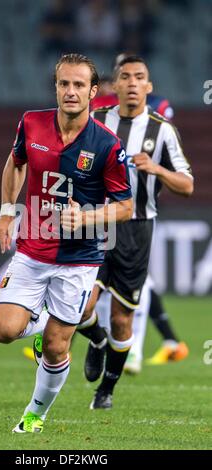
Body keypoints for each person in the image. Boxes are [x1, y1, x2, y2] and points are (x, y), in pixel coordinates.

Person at [0, 53, 133, 433]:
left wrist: (86, 217)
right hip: (33, 249)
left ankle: (35, 414)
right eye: (64, 84)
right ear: (56, 87)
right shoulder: (31, 123)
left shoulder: (106, 145)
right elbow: (16, 161)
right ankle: (38, 325)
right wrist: (7, 209)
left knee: (57, 347)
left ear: (93, 92)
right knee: (3, 330)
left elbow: (125, 207)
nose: (71, 91)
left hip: (79, 258)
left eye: (78, 85)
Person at [77, 55, 193, 409]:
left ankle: (106, 392)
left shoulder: (162, 131)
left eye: (138, 77)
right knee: (79, 306)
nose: (131, 82)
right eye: (124, 76)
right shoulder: (95, 120)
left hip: (137, 229)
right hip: (95, 223)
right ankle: (96, 341)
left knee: (122, 318)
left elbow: (187, 184)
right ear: (114, 85)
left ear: (148, 86)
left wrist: (156, 168)